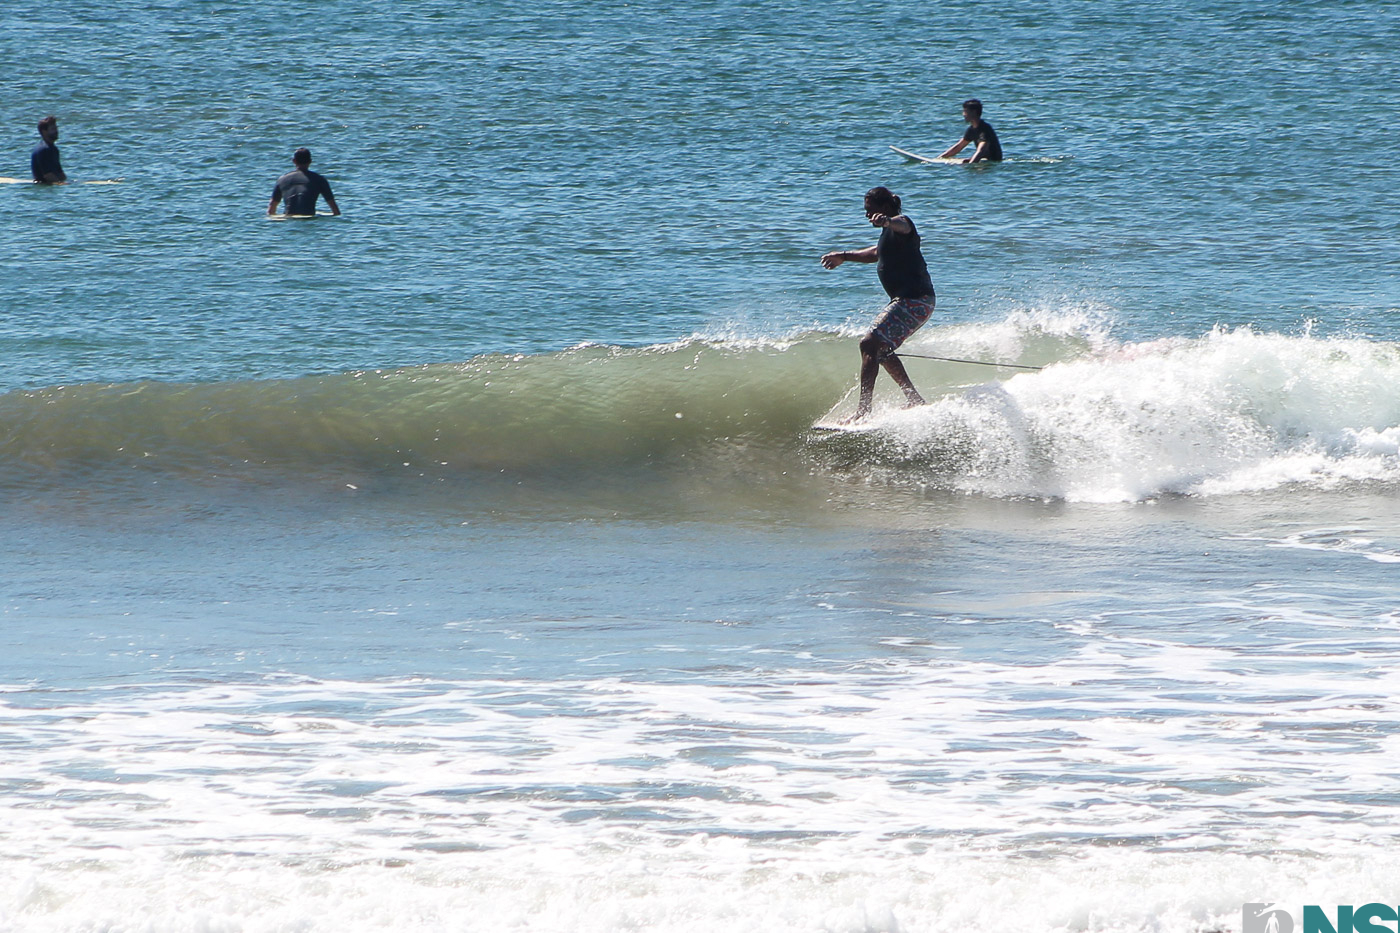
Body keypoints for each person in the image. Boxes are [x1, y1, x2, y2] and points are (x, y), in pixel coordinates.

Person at [820, 186, 936, 422]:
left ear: (884, 207)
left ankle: (863, 411)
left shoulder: (902, 224)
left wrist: (887, 221)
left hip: (914, 300)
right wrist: (844, 256)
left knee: (869, 343)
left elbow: (902, 225)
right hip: (911, 301)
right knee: (880, 349)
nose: (866, 214)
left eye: (869, 210)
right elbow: (875, 253)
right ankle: (914, 399)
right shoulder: (888, 237)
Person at [267, 147, 340, 216]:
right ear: (310, 161)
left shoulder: (282, 180)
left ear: (294, 161)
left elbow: (271, 210)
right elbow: (335, 211)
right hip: (309, 217)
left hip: (288, 218)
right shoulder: (319, 179)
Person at [939, 99, 1002, 164]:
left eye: (965, 111)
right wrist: (940, 158)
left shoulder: (984, 129)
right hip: (983, 160)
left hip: (991, 162)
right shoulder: (971, 129)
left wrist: (971, 164)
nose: (963, 114)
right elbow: (958, 147)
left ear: (974, 112)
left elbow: (981, 150)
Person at [31, 115, 66, 184]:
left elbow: (60, 173)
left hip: (54, 184)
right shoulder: (43, 150)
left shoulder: (54, 149)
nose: (56, 131)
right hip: (42, 185)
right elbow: (48, 175)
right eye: (53, 129)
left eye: (56, 128)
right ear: (44, 132)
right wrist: (61, 184)